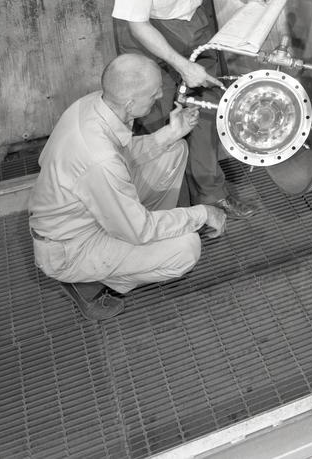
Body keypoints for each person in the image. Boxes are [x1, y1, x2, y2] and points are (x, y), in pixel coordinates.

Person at [29, 54, 227, 320]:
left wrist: (170, 133)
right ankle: (91, 282)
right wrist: (203, 213)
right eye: (154, 93)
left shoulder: (93, 105)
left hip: (90, 212)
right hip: (70, 247)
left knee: (173, 150)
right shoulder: (98, 159)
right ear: (131, 102)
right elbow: (138, 225)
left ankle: (134, 244)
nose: (159, 96)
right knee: (186, 248)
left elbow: (124, 155)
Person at [112, 0, 269, 219]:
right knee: (158, 120)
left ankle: (212, 196)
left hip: (190, 19)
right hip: (148, 30)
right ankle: (168, 209)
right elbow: (137, 24)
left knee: (206, 111)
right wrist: (182, 66)